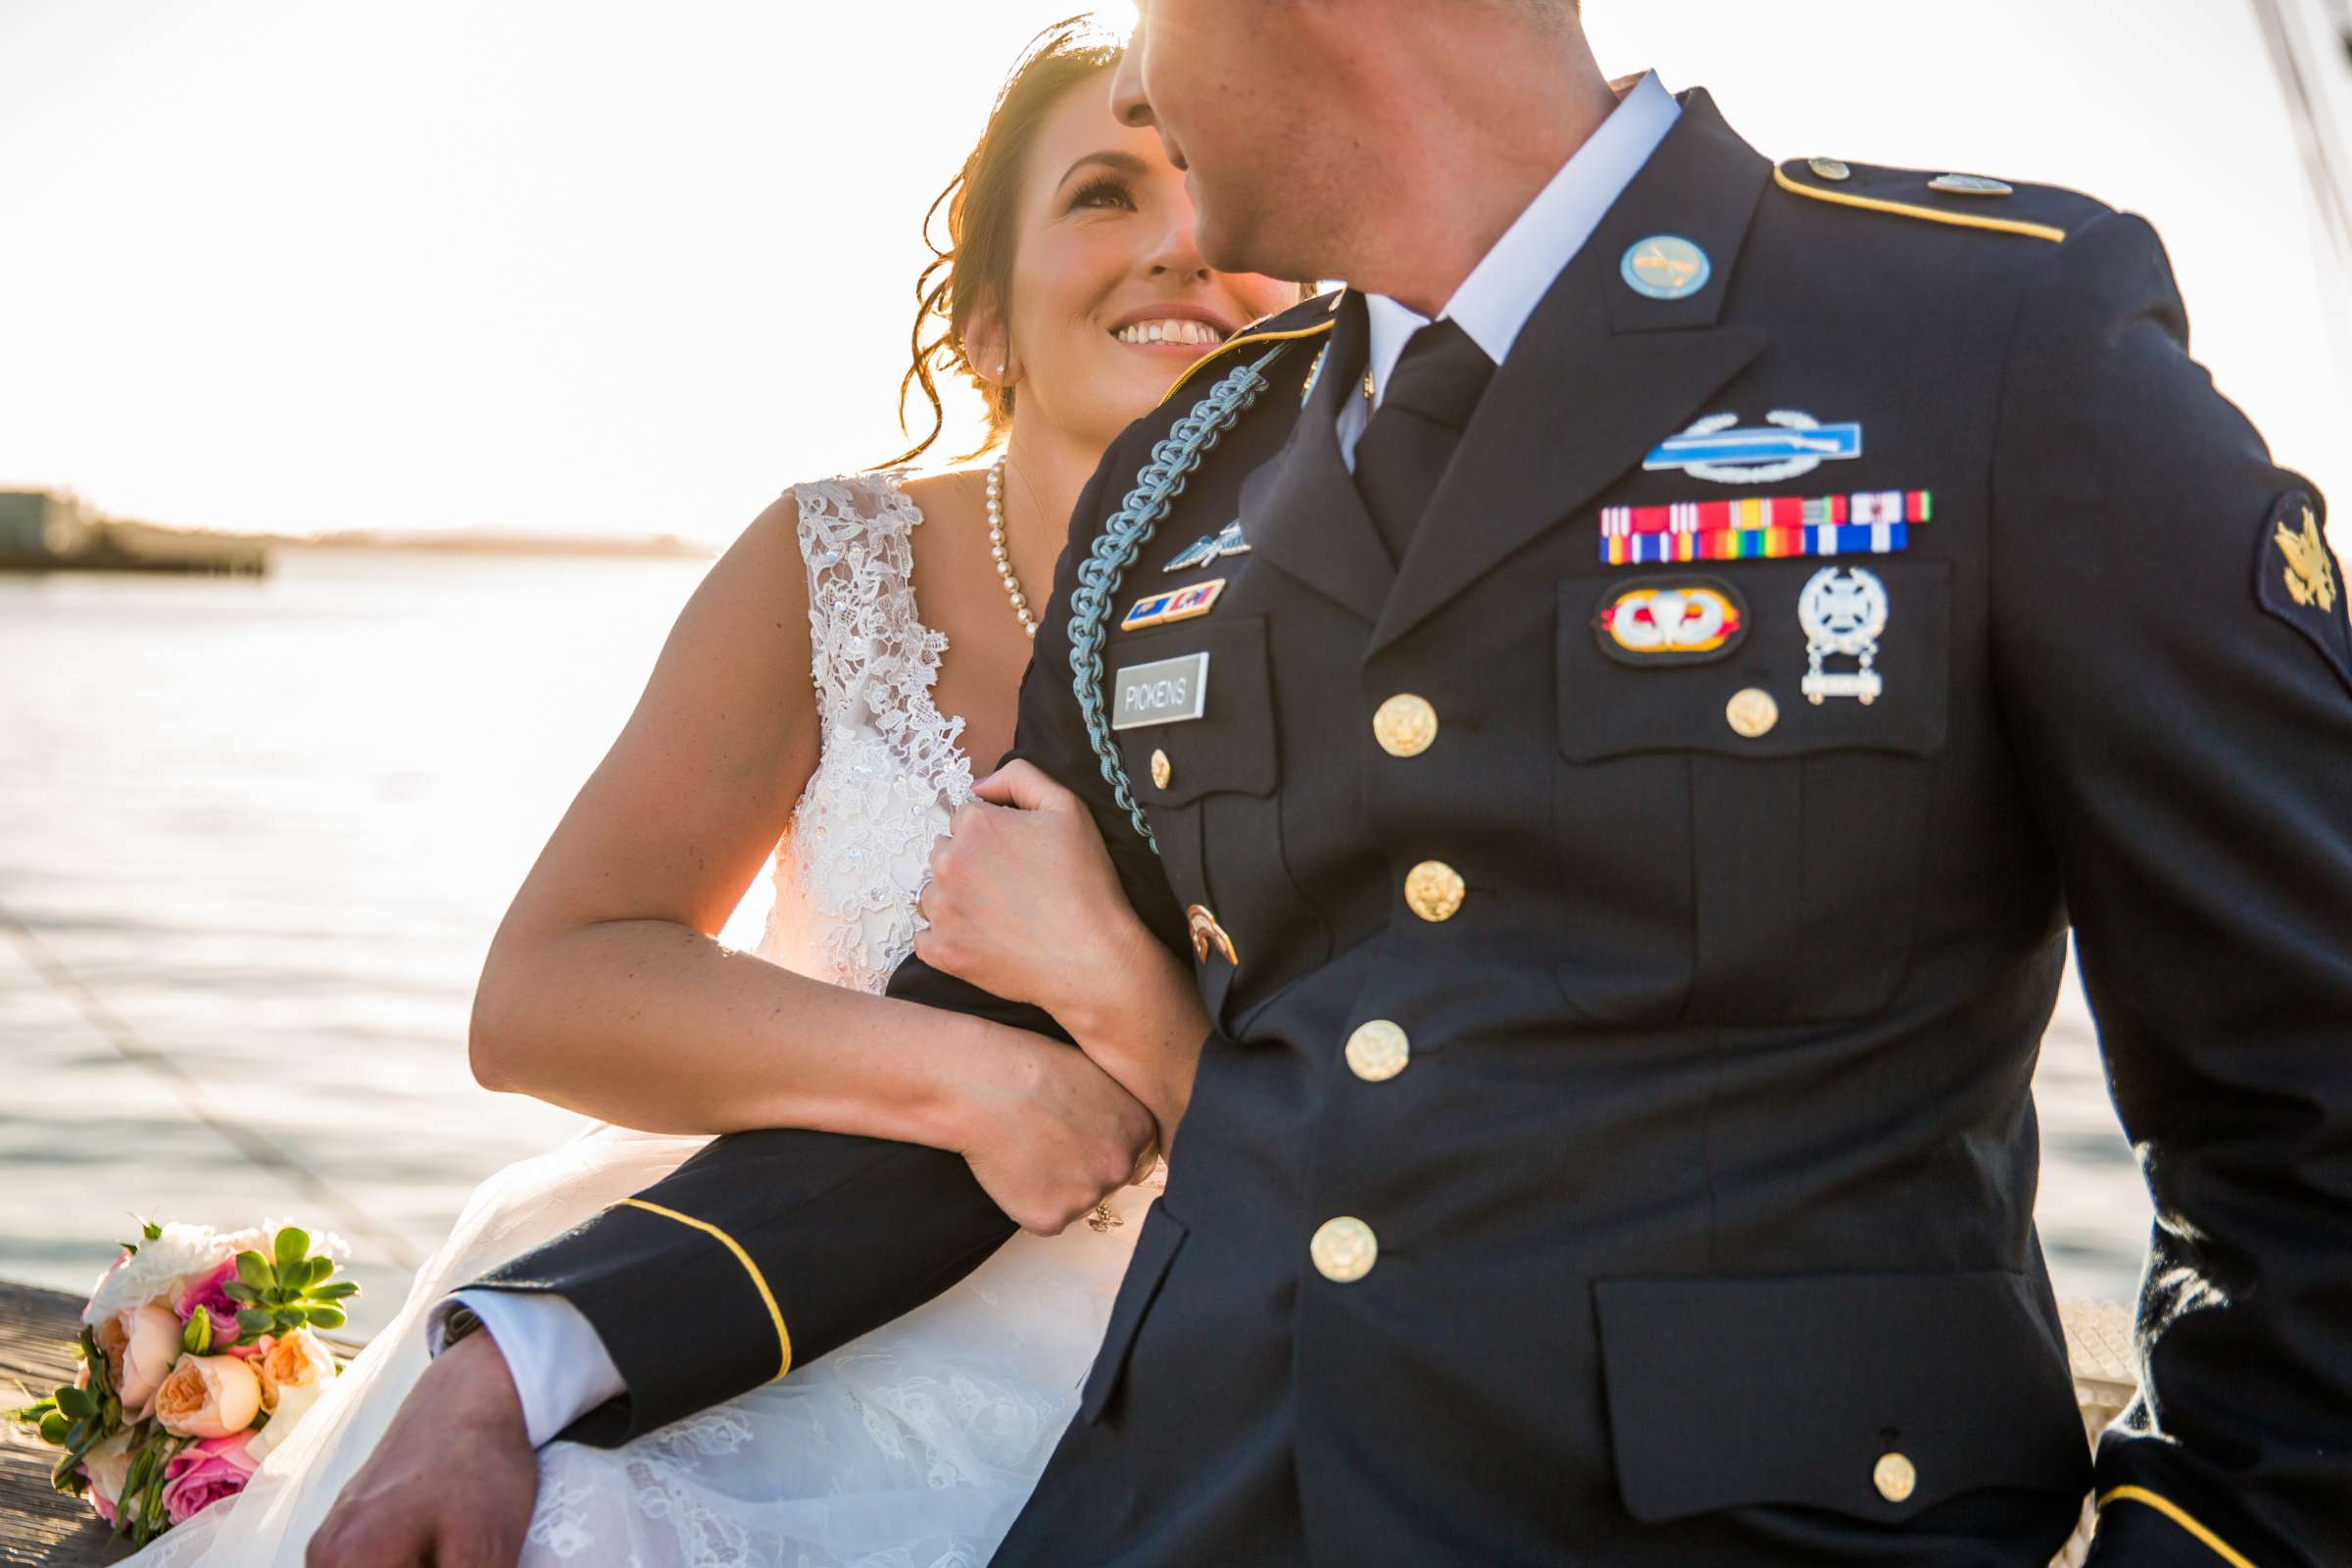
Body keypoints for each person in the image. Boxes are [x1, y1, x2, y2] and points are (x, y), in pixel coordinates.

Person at [322, 2, 2352, 1565]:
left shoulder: (1982, 340)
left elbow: (2311, 1097)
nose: (1135, 57)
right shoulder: (1184, 483)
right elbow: (954, 1077)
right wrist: (527, 1360)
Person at [121, 19, 1300, 1568]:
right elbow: (548, 991)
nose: (1183, 246)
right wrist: (978, 1081)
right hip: (740, 1277)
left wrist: (1132, 1018)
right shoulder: (834, 567)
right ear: (988, 323)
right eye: (1102, 193)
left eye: (1219, 191)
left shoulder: (1366, 629)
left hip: (1202, 1346)